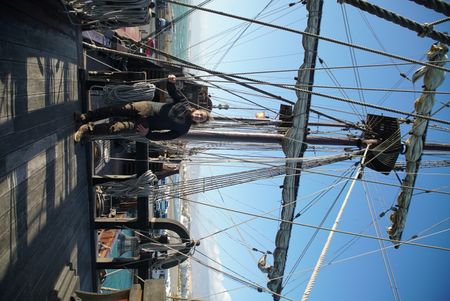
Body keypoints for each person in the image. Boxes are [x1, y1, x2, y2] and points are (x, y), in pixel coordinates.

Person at [74, 74, 210, 142]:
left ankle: (86, 129)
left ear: (199, 122)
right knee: (115, 109)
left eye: (201, 119)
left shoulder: (183, 129)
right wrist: (171, 81)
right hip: (147, 108)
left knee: (116, 128)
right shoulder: (184, 103)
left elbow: (165, 137)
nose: (199, 116)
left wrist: (148, 134)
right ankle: (86, 117)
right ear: (198, 110)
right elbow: (173, 92)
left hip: (145, 124)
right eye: (200, 114)